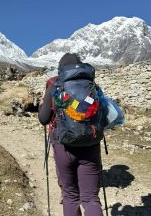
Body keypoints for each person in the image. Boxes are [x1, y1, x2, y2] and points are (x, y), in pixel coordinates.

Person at [38, 53, 104, 216]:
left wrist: (42, 105)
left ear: (61, 69)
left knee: (70, 196)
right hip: (90, 145)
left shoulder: (54, 85)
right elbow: (103, 114)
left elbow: (44, 119)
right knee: (90, 198)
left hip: (63, 146)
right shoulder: (91, 85)